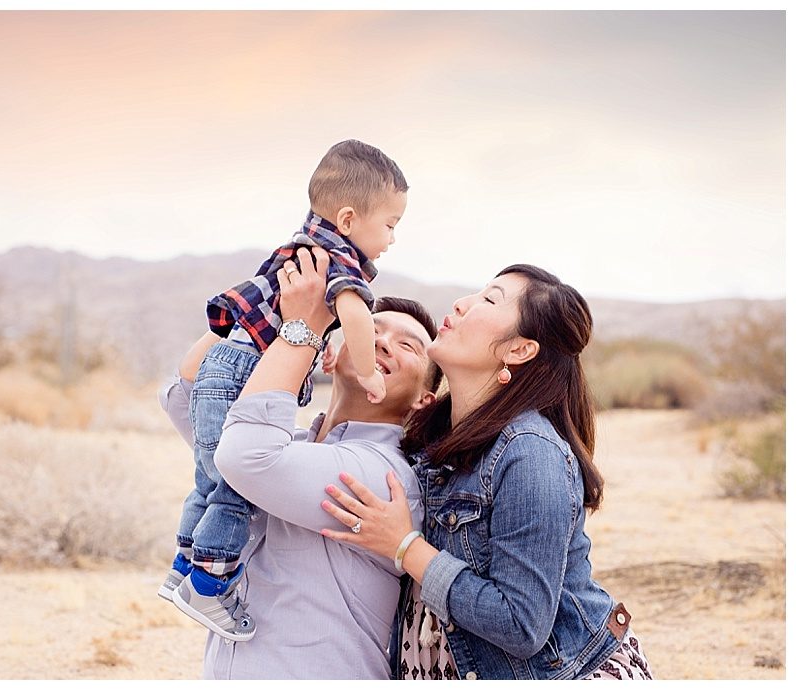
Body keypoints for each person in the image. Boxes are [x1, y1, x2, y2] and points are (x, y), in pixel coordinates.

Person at [319, 264, 654, 680]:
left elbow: (521, 624)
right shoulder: (434, 438)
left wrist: (405, 546)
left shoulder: (529, 452)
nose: (461, 304)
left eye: (489, 300)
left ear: (518, 350)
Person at [160, 140, 409, 642]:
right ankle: (208, 583)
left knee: (208, 478)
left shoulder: (297, 247)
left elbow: (189, 379)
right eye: (389, 225)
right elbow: (357, 314)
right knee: (232, 488)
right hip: (246, 371)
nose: (392, 239)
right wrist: (368, 371)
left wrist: (306, 337)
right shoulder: (339, 260)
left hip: (226, 362)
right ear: (348, 218)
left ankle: (183, 567)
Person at [157, 247, 443, 678]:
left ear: (424, 401)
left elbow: (246, 456)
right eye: (370, 329)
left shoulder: (384, 477)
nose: (381, 342)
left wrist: (303, 326)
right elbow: (188, 392)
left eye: (407, 346)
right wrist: (269, 298)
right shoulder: (292, 444)